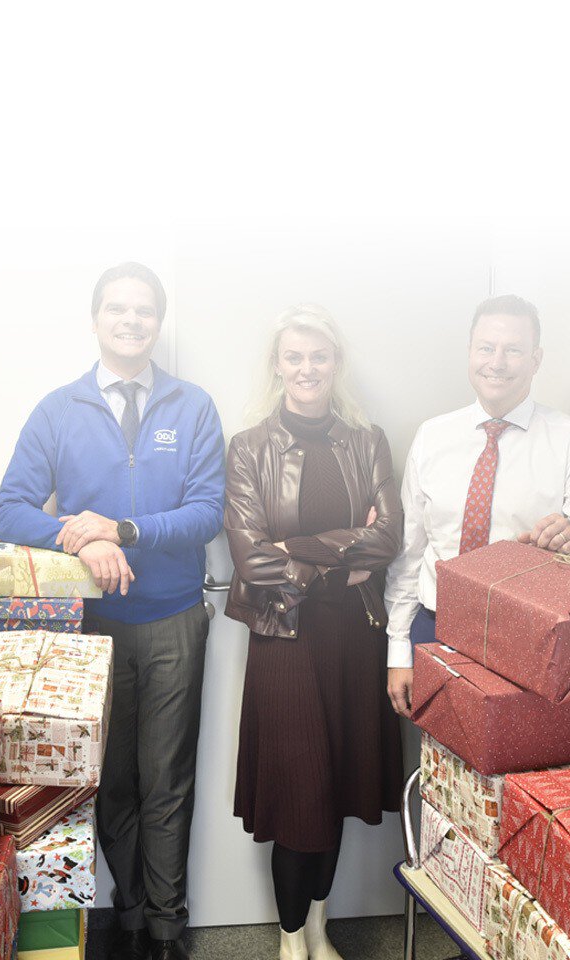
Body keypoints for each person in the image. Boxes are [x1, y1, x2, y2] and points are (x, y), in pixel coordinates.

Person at [0, 261, 225, 960]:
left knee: (167, 781)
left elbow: (207, 513)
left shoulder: (192, 407)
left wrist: (121, 531)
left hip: (175, 620)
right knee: (112, 781)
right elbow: (8, 510)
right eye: (117, 309)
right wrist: (79, 539)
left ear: (157, 323)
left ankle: (166, 927)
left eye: (144, 311)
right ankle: (127, 916)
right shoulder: (59, 410)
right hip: (90, 634)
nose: (131, 321)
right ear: (96, 320)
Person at [224, 304, 404, 960]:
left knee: (340, 786)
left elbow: (387, 536)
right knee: (302, 793)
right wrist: (341, 554)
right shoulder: (247, 448)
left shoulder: (368, 441)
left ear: (337, 364)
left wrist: (297, 549)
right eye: (294, 357)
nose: (307, 368)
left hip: (357, 639)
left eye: (318, 356)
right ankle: (290, 935)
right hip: (285, 639)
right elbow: (252, 559)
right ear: (278, 365)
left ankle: (320, 927)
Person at [384, 293, 570, 719]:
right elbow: (409, 553)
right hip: (434, 625)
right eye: (486, 348)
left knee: (507, 769)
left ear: (535, 359)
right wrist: (398, 649)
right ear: (470, 353)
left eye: (513, 349)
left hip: (526, 640)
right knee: (439, 770)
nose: (497, 361)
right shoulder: (432, 437)